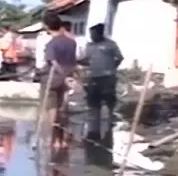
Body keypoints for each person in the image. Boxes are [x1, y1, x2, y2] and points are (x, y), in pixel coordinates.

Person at [80, 23, 123, 139]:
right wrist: (78, 62)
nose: (92, 36)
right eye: (91, 34)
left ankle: (109, 122)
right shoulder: (89, 46)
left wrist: (112, 67)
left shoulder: (110, 44)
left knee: (109, 99)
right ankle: (94, 129)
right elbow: (86, 59)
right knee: (93, 102)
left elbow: (119, 57)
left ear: (100, 33)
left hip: (108, 77)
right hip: (94, 77)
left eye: (93, 34)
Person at [41, 13, 77, 148]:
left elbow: (52, 61)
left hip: (53, 79)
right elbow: (74, 61)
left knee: (52, 109)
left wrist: (62, 73)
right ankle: (62, 139)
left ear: (46, 26)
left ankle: (55, 140)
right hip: (67, 79)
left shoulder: (51, 43)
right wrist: (70, 75)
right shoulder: (71, 42)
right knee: (63, 108)